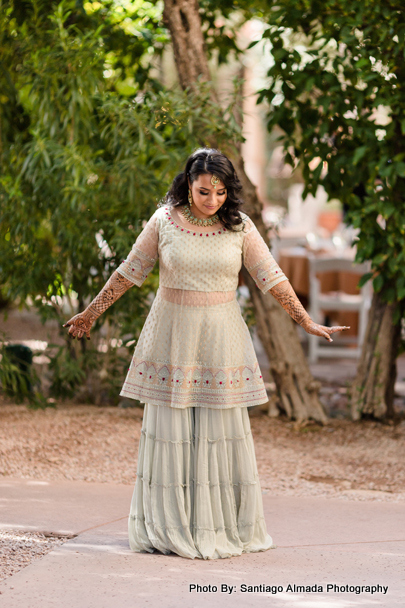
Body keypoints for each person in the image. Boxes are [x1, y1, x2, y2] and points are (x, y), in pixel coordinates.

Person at [63, 147, 349, 560]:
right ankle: (168, 525)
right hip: (172, 336)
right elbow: (131, 270)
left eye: (219, 192)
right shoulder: (164, 221)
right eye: (203, 192)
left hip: (221, 337)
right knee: (172, 428)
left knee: (219, 430)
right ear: (188, 185)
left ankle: (221, 525)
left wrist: (305, 321)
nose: (212, 200)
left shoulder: (240, 225)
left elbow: (271, 277)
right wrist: (91, 313)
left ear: (228, 191)